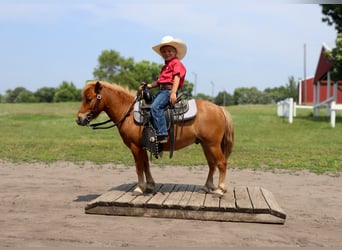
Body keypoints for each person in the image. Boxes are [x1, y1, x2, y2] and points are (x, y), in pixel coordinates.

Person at [144, 35, 187, 143]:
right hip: (161, 91)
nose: (166, 53)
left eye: (169, 51)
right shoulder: (165, 66)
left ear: (175, 52)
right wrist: (149, 85)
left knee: (155, 107)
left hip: (168, 91)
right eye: (164, 52)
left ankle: (162, 133)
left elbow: (176, 77)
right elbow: (159, 82)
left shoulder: (176, 63)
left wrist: (173, 93)